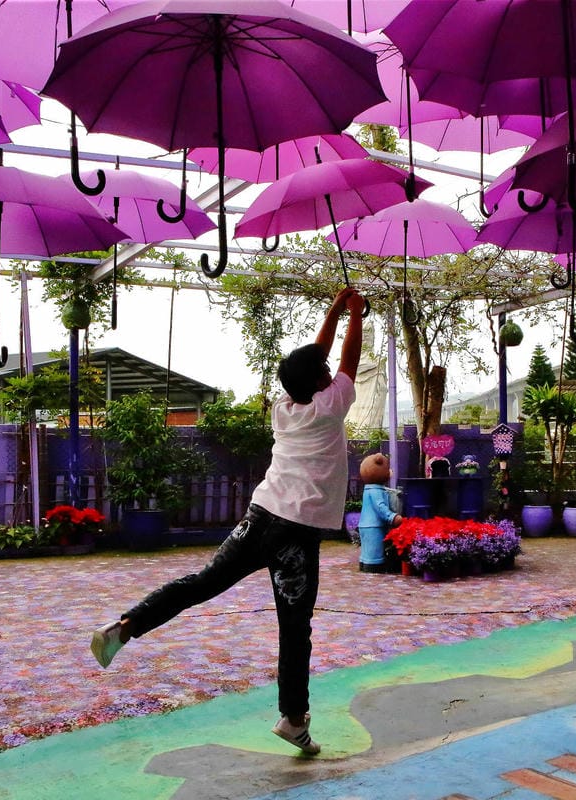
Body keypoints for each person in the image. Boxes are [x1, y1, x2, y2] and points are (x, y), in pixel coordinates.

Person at [90, 287, 365, 756]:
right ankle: (293, 719)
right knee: (294, 625)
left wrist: (336, 310)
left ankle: (126, 627)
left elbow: (319, 361)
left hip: (260, 517)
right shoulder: (328, 406)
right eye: (322, 372)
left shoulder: (286, 409)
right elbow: (347, 360)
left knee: (203, 582)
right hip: (295, 533)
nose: (327, 371)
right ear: (319, 384)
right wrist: (354, 314)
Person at [356, 453, 401, 573]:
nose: (390, 471)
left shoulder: (368, 489)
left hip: (365, 524)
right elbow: (380, 507)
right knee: (374, 550)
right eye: (387, 468)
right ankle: (373, 566)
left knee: (367, 548)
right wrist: (393, 517)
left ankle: (364, 563)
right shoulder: (375, 491)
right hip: (374, 525)